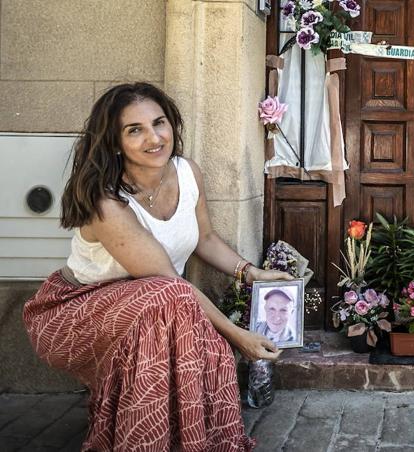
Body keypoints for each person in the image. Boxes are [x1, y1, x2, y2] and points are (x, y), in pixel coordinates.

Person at [22, 82, 292, 451]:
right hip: (77, 311)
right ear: (115, 142)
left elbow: (205, 238)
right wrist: (238, 335)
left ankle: (189, 442)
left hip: (158, 304)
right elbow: (167, 280)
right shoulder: (107, 202)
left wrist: (251, 272)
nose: (154, 137)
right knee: (173, 300)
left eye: (159, 123)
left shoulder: (186, 172)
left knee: (190, 329)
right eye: (135, 130)